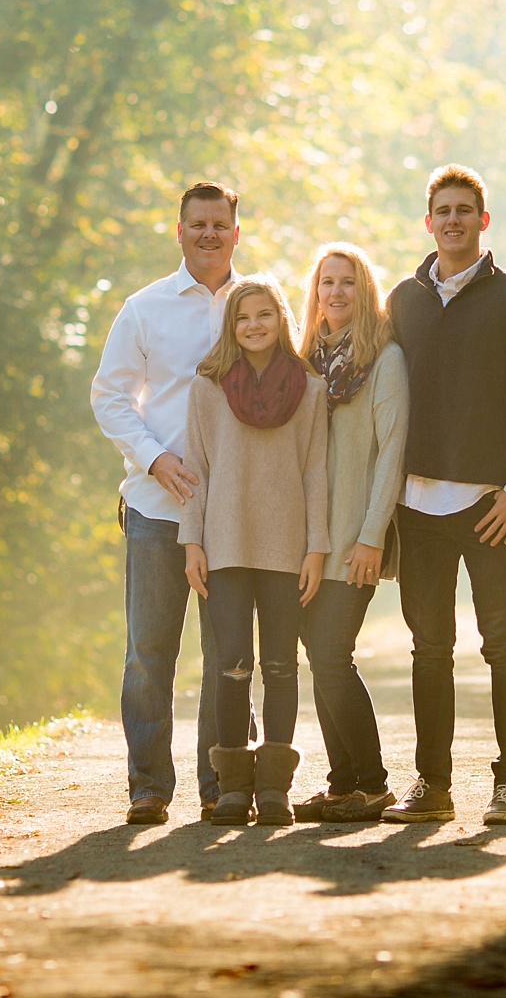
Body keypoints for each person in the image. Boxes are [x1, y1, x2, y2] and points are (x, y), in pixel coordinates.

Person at [381, 163, 506, 826]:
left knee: (501, 643)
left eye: (465, 210)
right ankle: (433, 786)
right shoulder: (402, 300)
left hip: (492, 507)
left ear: (482, 221)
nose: (453, 220)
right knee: (429, 649)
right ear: (428, 221)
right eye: (442, 210)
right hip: (416, 507)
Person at [91, 181, 249, 825]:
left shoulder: (258, 303)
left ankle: (221, 785)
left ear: (236, 234)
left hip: (234, 514)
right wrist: (154, 456)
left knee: (227, 653)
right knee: (149, 653)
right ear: (178, 232)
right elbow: (109, 396)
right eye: (197, 225)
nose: (209, 235)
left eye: (220, 225)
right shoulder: (146, 308)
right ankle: (149, 787)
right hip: (158, 507)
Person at [180, 275, 330, 826]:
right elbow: (195, 470)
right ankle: (234, 790)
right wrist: (190, 541)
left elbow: (316, 472)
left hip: (287, 547)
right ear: (231, 325)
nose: (253, 325)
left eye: (264, 314)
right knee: (230, 666)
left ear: (281, 319)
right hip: (223, 545)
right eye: (243, 317)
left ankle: (274, 791)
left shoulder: (310, 391)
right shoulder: (208, 388)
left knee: (281, 666)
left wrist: (317, 548)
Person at [290, 243, 409, 824]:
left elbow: (392, 454)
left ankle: (373, 783)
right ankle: (342, 785)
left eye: (348, 282)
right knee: (320, 654)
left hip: (357, 536)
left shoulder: (385, 360)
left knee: (333, 653)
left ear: (365, 291)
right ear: (315, 293)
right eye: (326, 282)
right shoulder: (305, 362)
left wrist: (372, 535)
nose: (335, 292)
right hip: (310, 538)